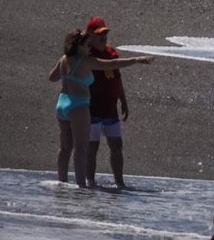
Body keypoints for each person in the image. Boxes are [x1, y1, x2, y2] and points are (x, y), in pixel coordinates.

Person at [49, 28, 154, 188]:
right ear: (78, 46)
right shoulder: (86, 62)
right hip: (78, 105)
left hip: (62, 104)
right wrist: (137, 59)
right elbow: (113, 64)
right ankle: (80, 187)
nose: (89, 48)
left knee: (65, 147)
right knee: (81, 148)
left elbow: (52, 77)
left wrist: (69, 75)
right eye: (86, 46)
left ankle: (61, 182)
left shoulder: (64, 59)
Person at [84, 17, 133, 188]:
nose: (103, 37)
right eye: (99, 34)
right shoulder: (87, 55)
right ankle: (89, 182)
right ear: (89, 36)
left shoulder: (111, 52)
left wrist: (124, 102)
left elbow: (117, 80)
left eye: (105, 33)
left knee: (117, 145)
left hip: (111, 109)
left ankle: (119, 182)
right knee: (92, 147)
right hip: (92, 109)